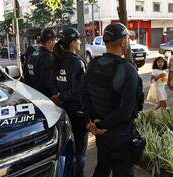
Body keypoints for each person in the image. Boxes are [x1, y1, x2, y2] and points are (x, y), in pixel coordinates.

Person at [81, 23, 142, 177]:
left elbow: (84, 95)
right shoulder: (127, 69)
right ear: (123, 42)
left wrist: (94, 121)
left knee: (102, 167)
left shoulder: (92, 64)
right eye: (127, 38)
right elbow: (126, 109)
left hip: (101, 132)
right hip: (119, 134)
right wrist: (100, 125)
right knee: (123, 172)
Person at [50, 28, 88, 177]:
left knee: (66, 149)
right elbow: (79, 92)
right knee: (80, 152)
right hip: (77, 114)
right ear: (73, 43)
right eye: (78, 40)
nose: (80, 43)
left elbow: (52, 84)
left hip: (62, 112)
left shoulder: (57, 59)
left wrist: (58, 97)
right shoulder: (77, 63)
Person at [22, 28, 56, 97]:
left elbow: (26, 77)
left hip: (33, 95)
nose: (55, 43)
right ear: (49, 42)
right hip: (46, 98)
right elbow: (48, 82)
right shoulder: (47, 57)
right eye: (54, 40)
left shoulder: (32, 55)